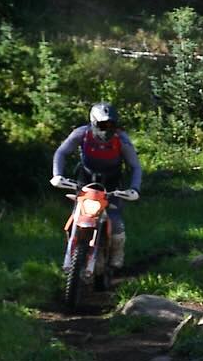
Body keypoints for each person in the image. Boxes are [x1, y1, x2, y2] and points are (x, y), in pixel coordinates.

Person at [51, 102, 142, 271]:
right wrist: (57, 175)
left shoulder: (121, 139)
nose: (107, 129)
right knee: (78, 214)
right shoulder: (81, 134)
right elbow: (61, 152)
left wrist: (134, 188)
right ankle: (71, 252)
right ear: (93, 123)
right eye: (102, 125)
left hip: (112, 183)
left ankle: (117, 252)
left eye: (111, 125)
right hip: (84, 180)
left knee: (114, 219)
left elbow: (135, 166)